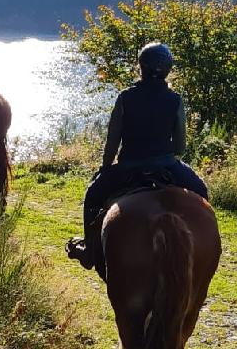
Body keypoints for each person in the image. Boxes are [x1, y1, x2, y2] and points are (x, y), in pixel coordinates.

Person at [66, 41, 208, 271]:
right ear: (168, 69)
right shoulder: (175, 100)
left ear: (140, 67)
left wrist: (105, 167)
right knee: (201, 193)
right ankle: (206, 247)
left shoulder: (125, 97)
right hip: (167, 166)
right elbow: (180, 146)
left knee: (93, 196)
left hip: (128, 168)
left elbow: (113, 141)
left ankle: (89, 251)